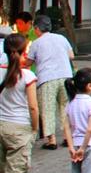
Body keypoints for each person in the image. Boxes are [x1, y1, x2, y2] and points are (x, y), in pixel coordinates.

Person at [0, 34, 39, 173]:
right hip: (18, 129)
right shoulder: (27, 76)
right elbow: (33, 107)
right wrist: (35, 128)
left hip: (0, 123)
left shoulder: (1, 72)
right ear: (24, 52)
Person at [23, 15, 73, 150]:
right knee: (65, 107)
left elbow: (28, 62)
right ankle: (67, 137)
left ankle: (51, 140)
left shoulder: (36, 43)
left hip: (47, 78)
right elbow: (71, 55)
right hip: (66, 76)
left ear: (37, 28)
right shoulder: (61, 38)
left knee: (47, 108)